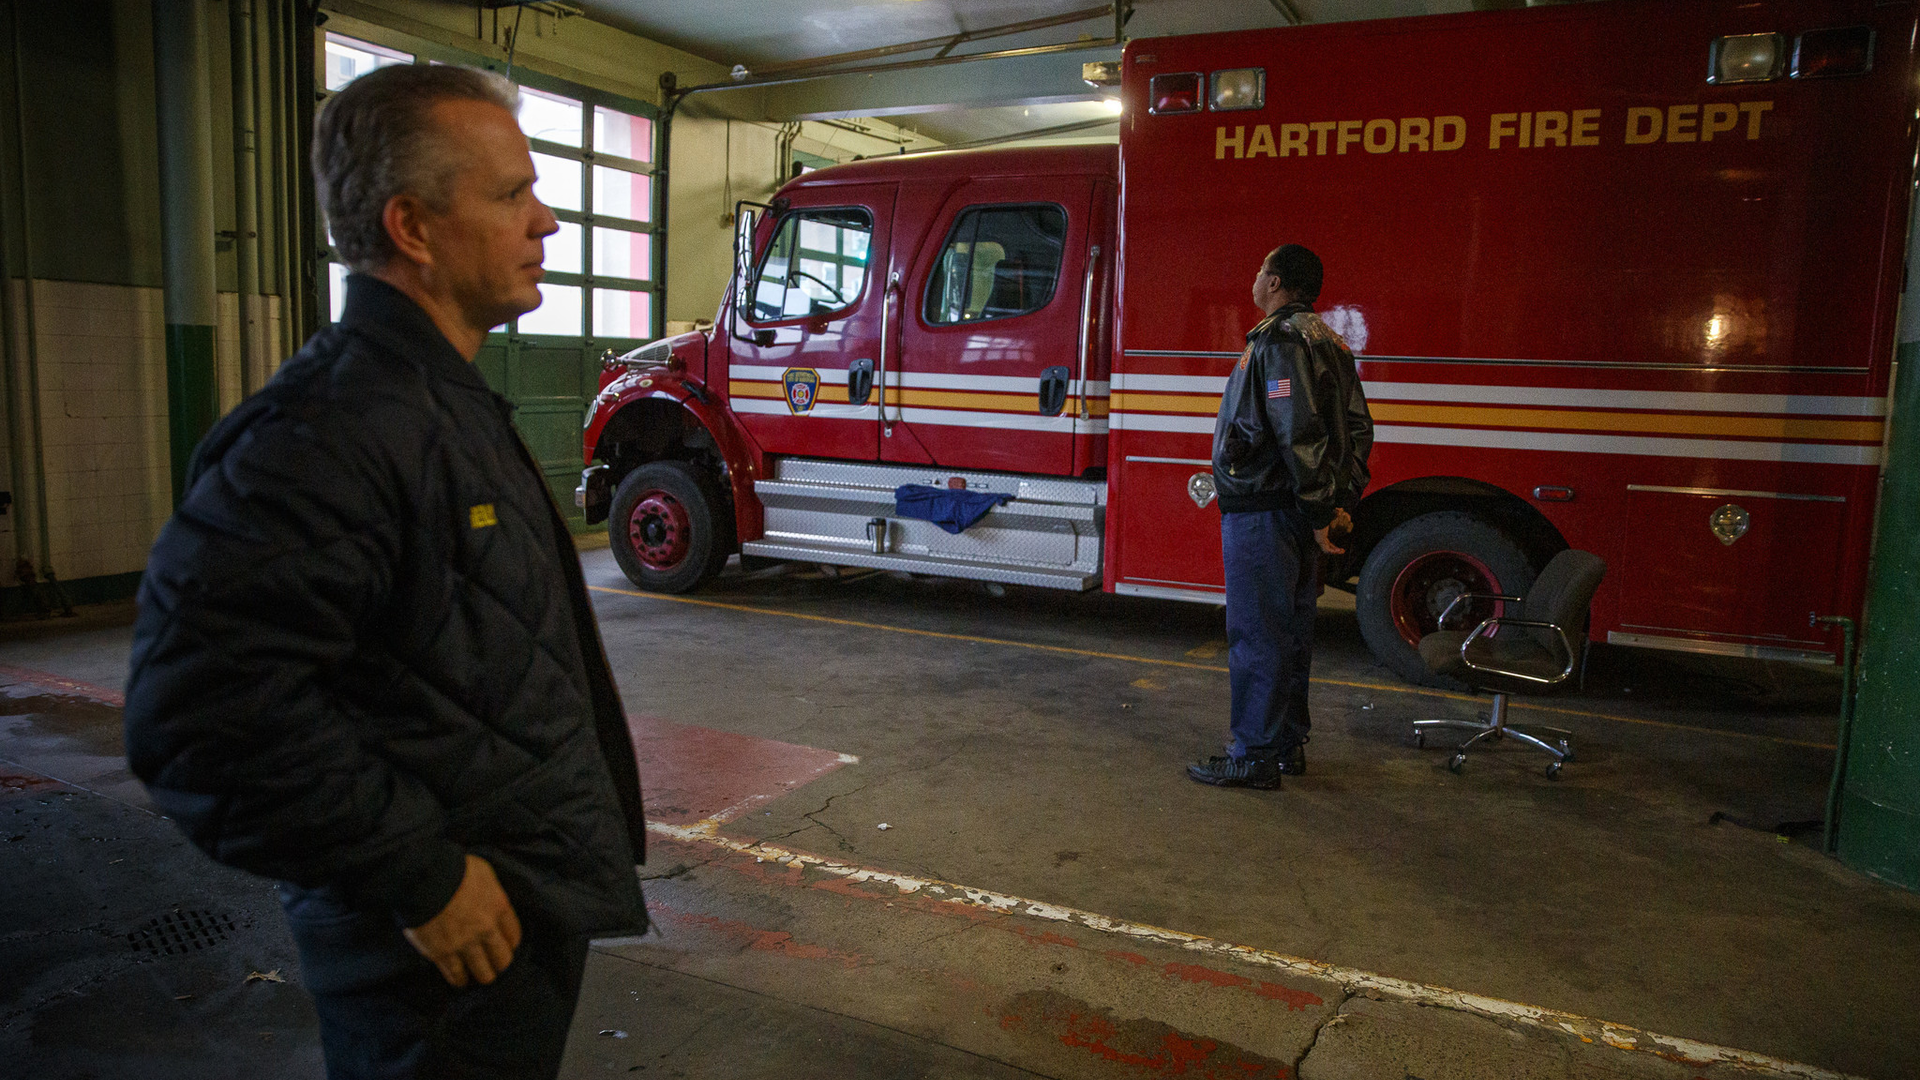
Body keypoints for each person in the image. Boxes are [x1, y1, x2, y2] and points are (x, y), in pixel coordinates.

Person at [122, 64, 647, 1080]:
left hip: (512, 917)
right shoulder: (326, 432)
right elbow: (198, 715)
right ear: (412, 228)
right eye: (511, 195)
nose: (546, 224)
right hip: (436, 949)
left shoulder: (438, 402)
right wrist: (422, 878)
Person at [1188, 244, 1373, 790]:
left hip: (1264, 510)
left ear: (1274, 281)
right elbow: (1359, 429)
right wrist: (1338, 503)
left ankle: (1254, 753)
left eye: (1258, 269)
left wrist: (1320, 507)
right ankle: (1286, 743)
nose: (1253, 278)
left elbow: (1294, 428)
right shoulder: (1332, 342)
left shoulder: (1277, 342)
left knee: (1257, 634)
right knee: (1290, 631)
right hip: (1295, 509)